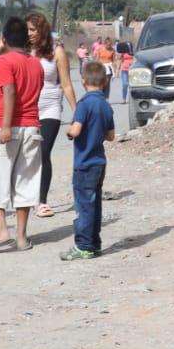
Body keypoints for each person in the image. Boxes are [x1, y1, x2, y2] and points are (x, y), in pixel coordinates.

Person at [0, 13, 77, 218]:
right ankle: (22, 198)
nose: (30, 34)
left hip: (50, 107)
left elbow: (66, 83)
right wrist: (7, 38)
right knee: (27, 157)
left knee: (43, 153)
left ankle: (41, 201)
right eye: (26, 30)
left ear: (43, 30)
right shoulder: (19, 49)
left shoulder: (56, 51)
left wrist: (77, 114)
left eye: (34, 30)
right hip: (25, 109)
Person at [0, 16, 44, 253]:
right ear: (27, 39)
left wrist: (5, 126)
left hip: (6, 127)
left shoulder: (4, 61)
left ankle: (1, 231)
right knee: (25, 181)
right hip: (32, 127)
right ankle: (21, 237)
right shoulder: (36, 63)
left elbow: (9, 92)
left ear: (4, 39)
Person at [61, 62, 115, 261]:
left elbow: (75, 130)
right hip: (99, 162)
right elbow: (111, 136)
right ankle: (94, 243)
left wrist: (69, 131)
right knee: (95, 204)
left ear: (83, 81)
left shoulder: (83, 104)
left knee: (84, 205)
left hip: (84, 163)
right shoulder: (105, 105)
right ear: (105, 81)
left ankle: (83, 245)